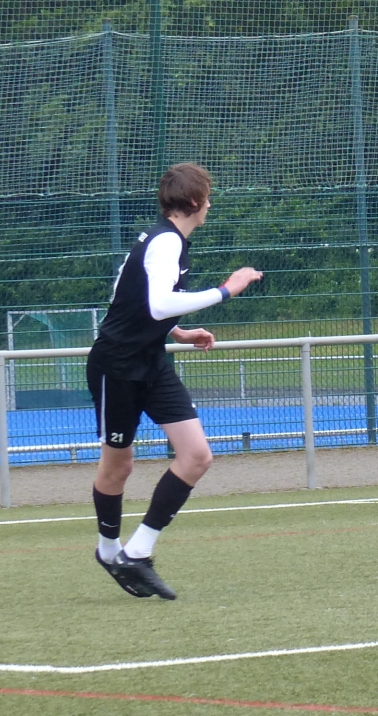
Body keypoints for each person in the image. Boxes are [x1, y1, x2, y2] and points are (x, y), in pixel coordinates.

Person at [88, 163, 263, 599]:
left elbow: (131, 298)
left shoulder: (166, 242)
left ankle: (137, 551)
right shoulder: (164, 240)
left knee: (197, 456)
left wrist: (177, 332)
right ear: (194, 202)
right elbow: (158, 303)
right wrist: (227, 289)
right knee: (119, 466)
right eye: (208, 197)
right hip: (116, 366)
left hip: (152, 360)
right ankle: (108, 551)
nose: (210, 205)